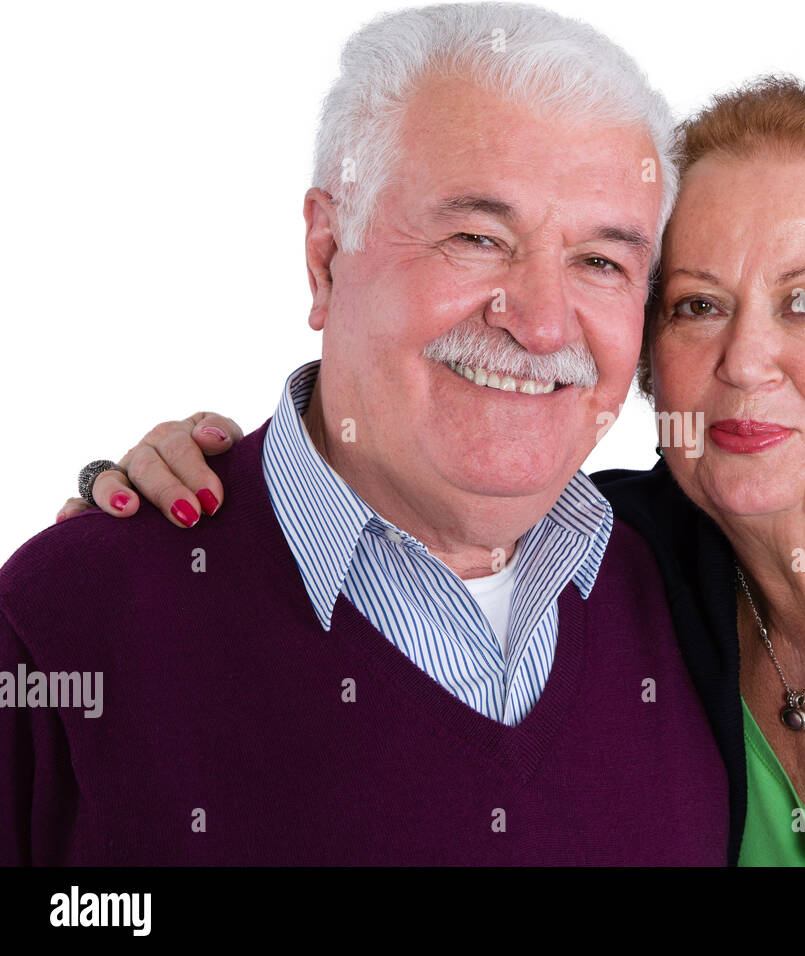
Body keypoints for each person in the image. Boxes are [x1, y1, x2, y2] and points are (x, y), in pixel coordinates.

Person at [54, 80, 805, 865]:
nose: (745, 361)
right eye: (698, 305)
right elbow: (409, 454)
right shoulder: (611, 557)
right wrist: (207, 487)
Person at [0, 3, 731, 865]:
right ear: (325, 252)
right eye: (476, 237)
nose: (539, 325)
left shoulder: (690, 595)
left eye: (602, 261)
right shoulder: (66, 621)